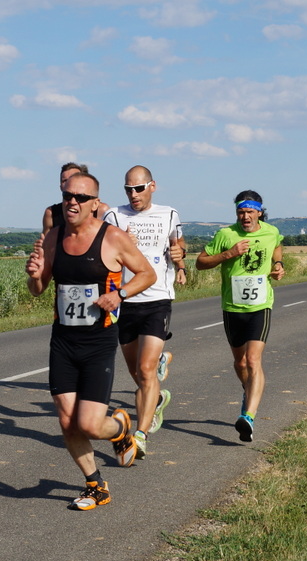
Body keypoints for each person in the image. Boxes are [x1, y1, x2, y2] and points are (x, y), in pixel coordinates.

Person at [25, 171, 157, 510]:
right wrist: (35, 274)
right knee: (67, 421)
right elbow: (39, 290)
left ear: (95, 203)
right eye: (68, 195)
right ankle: (96, 486)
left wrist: (120, 295)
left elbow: (147, 274)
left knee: (89, 424)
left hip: (98, 341)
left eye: (81, 198)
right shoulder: (53, 237)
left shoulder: (112, 238)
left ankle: (119, 429)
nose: (73, 202)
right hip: (63, 341)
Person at [102, 165, 186, 459]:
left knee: (147, 370)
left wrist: (181, 259)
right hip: (125, 302)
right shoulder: (114, 216)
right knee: (137, 373)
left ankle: (140, 435)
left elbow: (177, 244)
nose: (133, 194)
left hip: (157, 299)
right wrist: (120, 242)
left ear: (153, 186)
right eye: (128, 189)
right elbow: (104, 249)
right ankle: (158, 397)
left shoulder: (169, 214)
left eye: (139, 188)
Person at [195, 190, 284, 443]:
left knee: (254, 360)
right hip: (232, 307)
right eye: (240, 212)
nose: (245, 217)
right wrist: (228, 254)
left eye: (249, 212)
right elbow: (200, 263)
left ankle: (248, 416)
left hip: (260, 305)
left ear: (259, 211)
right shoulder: (226, 235)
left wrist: (278, 265)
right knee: (241, 363)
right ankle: (249, 391)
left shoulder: (271, 231)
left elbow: (277, 247)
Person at [42, 162, 109, 236]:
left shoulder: (102, 210)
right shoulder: (51, 213)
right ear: (61, 186)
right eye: (65, 180)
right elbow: (45, 243)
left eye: (74, 177)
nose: (70, 182)